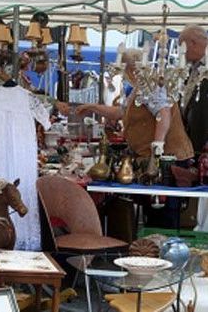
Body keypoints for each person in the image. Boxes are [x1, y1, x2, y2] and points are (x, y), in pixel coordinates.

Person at [76, 48, 194, 229]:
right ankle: (150, 247)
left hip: (168, 159)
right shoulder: (137, 89)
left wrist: (157, 148)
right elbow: (120, 112)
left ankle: (158, 250)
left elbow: (163, 114)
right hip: (151, 158)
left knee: (162, 216)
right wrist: (93, 107)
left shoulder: (152, 84)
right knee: (154, 214)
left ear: (130, 69)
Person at [0, 51, 51, 251]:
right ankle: (22, 240)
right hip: (21, 152)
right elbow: (46, 121)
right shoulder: (28, 98)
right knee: (21, 190)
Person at [179, 25, 208, 231]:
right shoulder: (193, 68)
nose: (182, 51)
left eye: (182, 45)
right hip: (195, 144)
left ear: (194, 43)